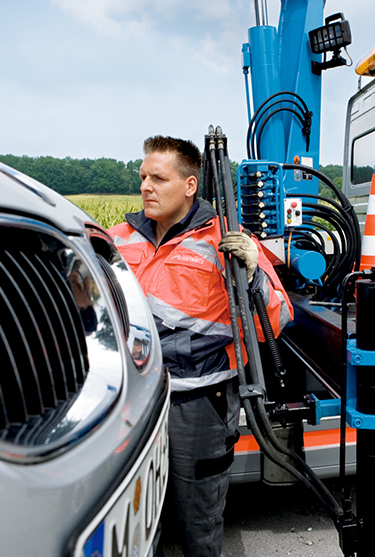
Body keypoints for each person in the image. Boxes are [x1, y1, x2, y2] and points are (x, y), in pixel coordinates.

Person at [108, 135, 293, 557]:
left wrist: (253, 275)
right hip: (131, 403)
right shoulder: (119, 238)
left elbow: (276, 321)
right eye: (142, 177)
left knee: (199, 521)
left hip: (198, 404)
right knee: (134, 519)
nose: (146, 187)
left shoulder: (226, 242)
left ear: (190, 185)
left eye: (158, 178)